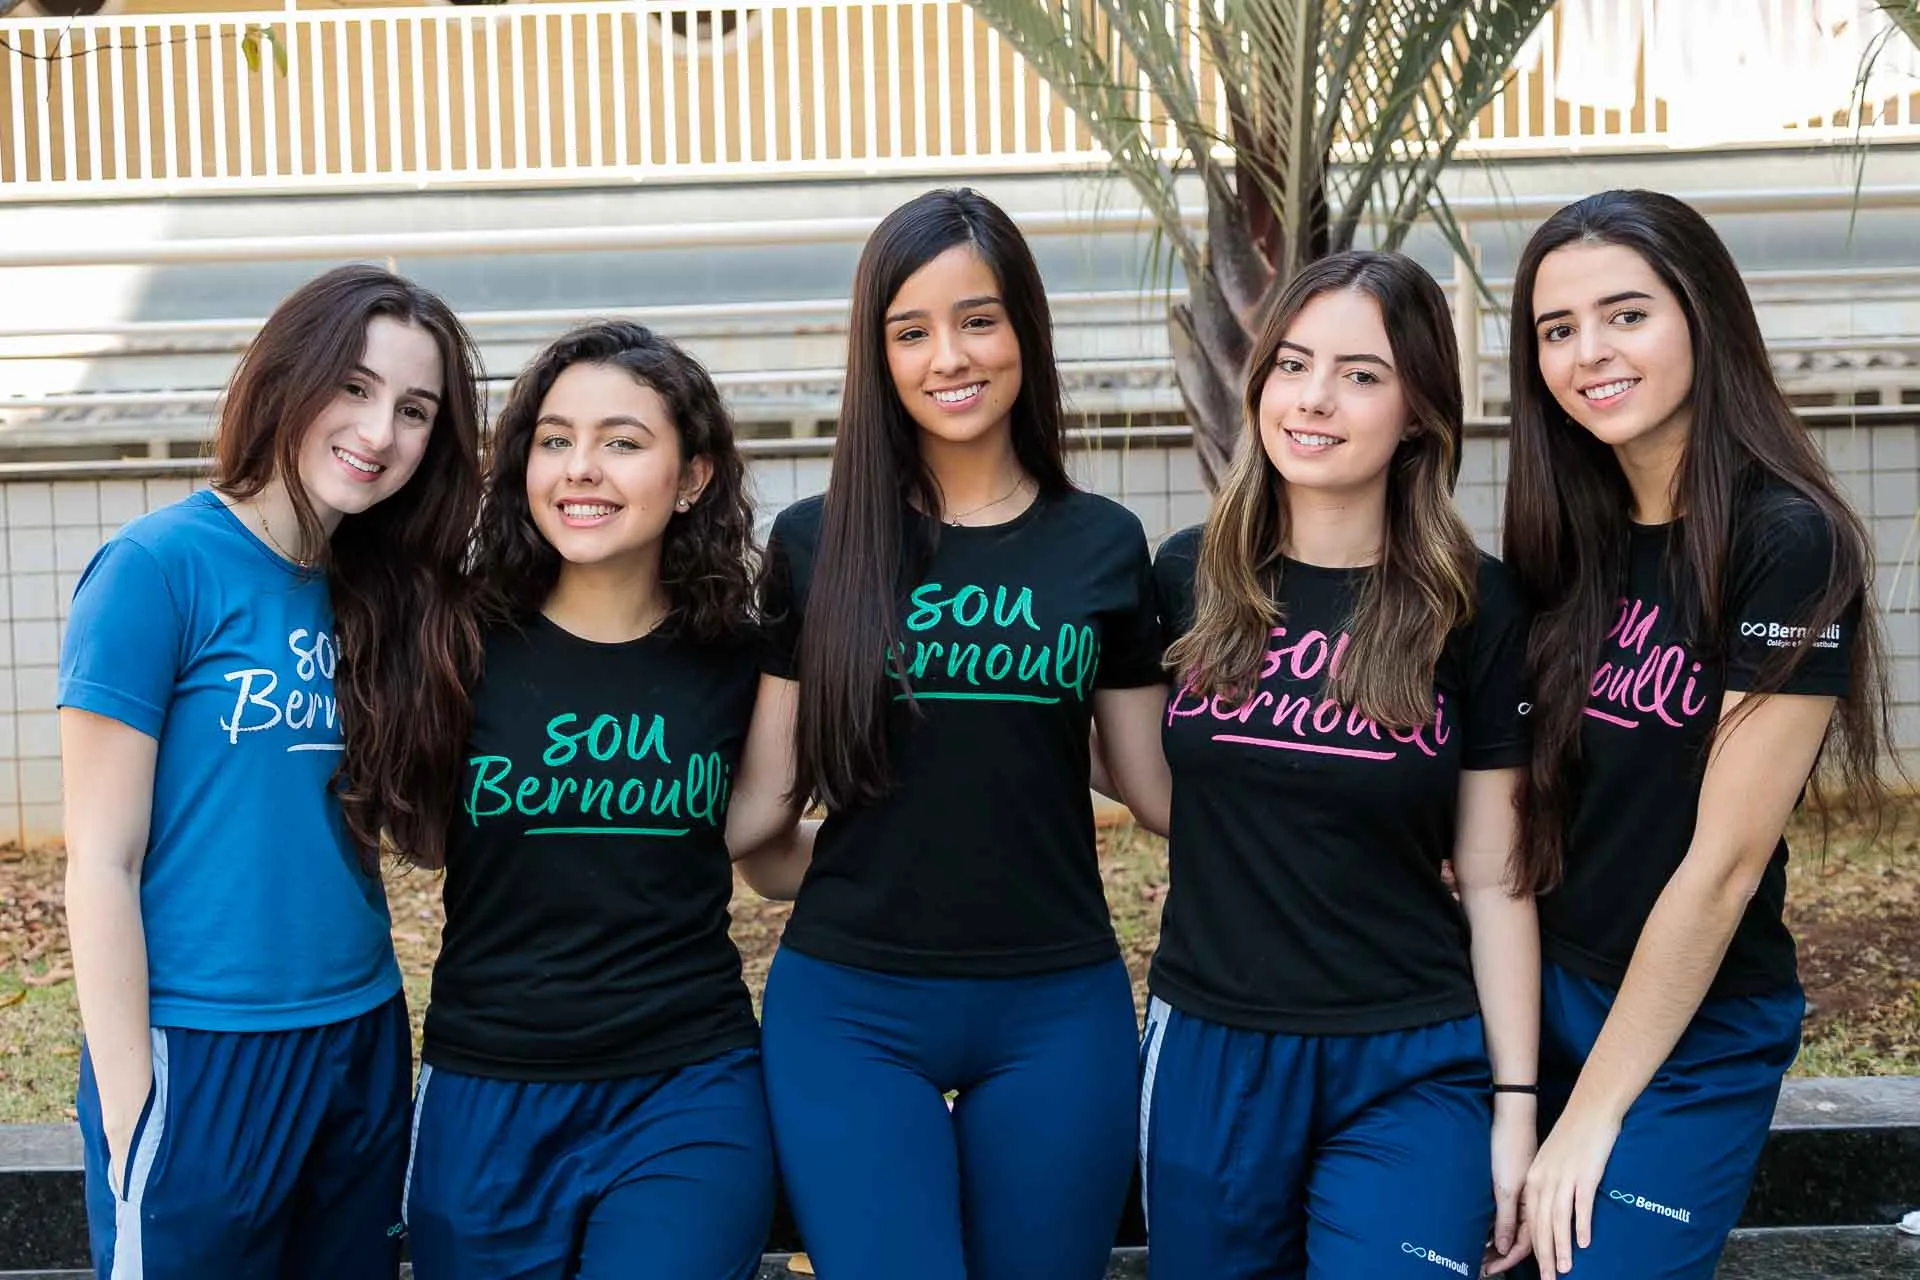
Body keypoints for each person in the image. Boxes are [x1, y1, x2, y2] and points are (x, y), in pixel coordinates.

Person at [726, 186, 1169, 1280]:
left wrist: (1399, 833)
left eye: (977, 319)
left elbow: (1158, 791)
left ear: (1025, 328)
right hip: (852, 1008)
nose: (949, 357)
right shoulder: (816, 542)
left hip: (1055, 1002)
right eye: (911, 331)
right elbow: (762, 811)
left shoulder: (1104, 545)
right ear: (877, 355)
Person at [59, 264, 485, 1278]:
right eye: (354, 386)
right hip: (197, 1049)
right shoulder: (157, 569)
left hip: (358, 1037)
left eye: (414, 409)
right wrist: (131, 1101)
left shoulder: (387, 592)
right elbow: (101, 861)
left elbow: (420, 832)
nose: (379, 431)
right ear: (289, 377)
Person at [1119, 250, 1539, 1278]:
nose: (1313, 398)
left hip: (1410, 1052)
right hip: (1213, 1042)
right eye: (1293, 364)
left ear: (1420, 411)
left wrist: (1516, 1104)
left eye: (1361, 374)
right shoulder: (1188, 577)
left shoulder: (1474, 604)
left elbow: (1494, 878)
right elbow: (1129, 767)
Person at [1502, 189, 1891, 1278]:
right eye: (1557, 328)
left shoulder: (1789, 541)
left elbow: (1722, 869)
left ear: (1703, 317)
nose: (1589, 352)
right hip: (1540, 995)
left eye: (1626, 314)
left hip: (1694, 1027)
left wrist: (1588, 1116)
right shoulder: (1564, 536)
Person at [402, 320, 779, 1278]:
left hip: (684, 1086)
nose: (581, 469)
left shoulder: (740, 658)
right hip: (487, 1085)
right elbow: (415, 831)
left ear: (692, 477)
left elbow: (762, 832)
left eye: (623, 442)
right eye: (555, 439)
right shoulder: (455, 643)